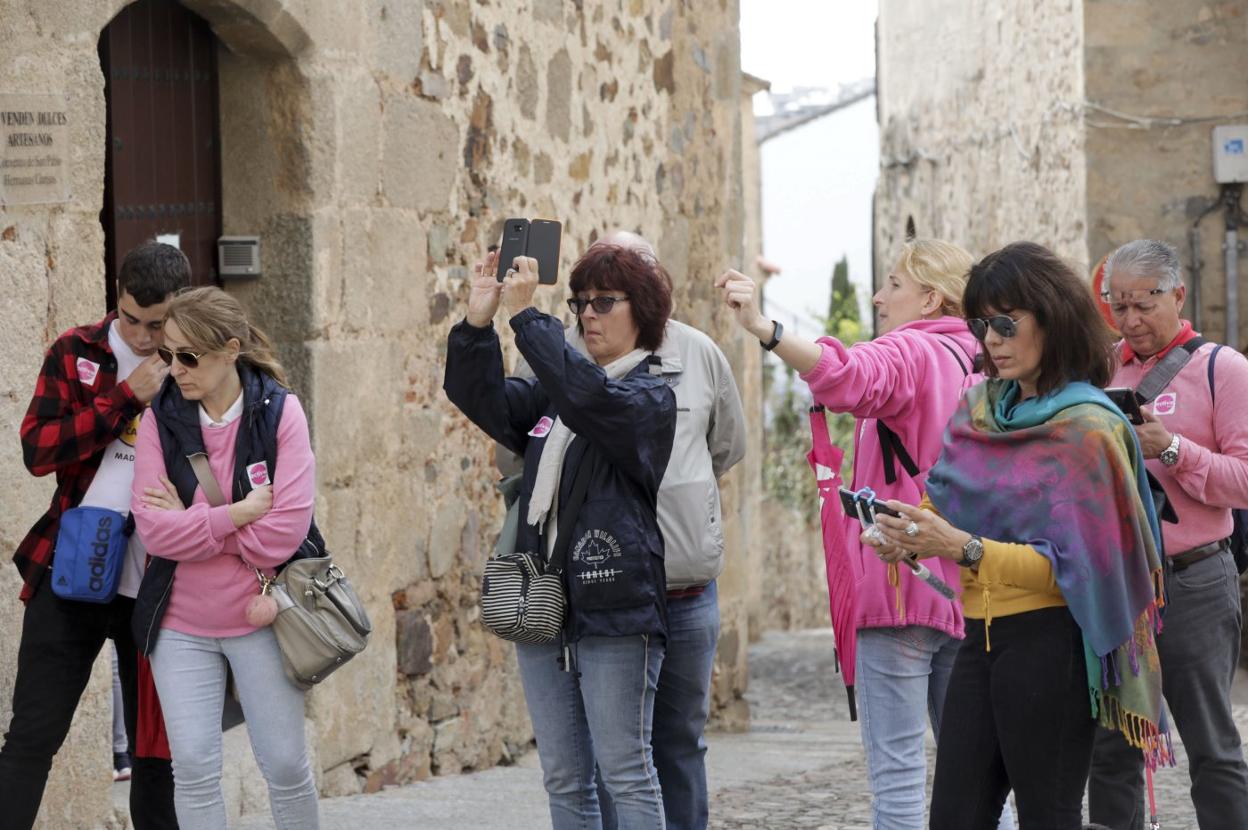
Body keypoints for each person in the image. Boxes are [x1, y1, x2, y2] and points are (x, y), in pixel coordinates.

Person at [865, 241, 1167, 829]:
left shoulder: (1087, 431)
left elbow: (1079, 571)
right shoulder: (979, 412)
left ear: (1051, 321)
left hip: (1049, 648)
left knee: (1047, 816)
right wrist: (905, 531)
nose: (992, 338)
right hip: (976, 639)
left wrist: (964, 549)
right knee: (955, 816)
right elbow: (943, 504)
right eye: (981, 324)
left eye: (1006, 321)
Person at [720, 239, 1016, 830]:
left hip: (901, 583)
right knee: (984, 780)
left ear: (931, 297)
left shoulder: (911, 350)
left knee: (898, 776)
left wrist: (763, 326)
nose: (879, 298)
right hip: (977, 585)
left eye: (894, 285)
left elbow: (848, 376)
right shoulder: (990, 361)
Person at [444, 247, 676, 828]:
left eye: (603, 302)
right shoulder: (556, 395)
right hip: (542, 602)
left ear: (642, 313)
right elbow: (484, 400)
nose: (587, 316)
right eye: (578, 304)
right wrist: (479, 321)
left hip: (615, 608)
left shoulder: (648, 397)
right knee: (564, 778)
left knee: (625, 770)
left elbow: (593, 400)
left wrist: (529, 321)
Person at [558, 231, 747, 830]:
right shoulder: (564, 356)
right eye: (588, 297)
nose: (594, 311)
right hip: (607, 593)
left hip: (686, 590)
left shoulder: (699, 352)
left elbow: (725, 447)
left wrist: (675, 498)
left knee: (680, 742)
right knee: (619, 752)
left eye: (610, 294)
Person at [0, 241, 184, 830]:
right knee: (31, 736)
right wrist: (125, 398)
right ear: (117, 300)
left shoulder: (199, 362)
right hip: (73, 567)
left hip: (160, 585)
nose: (144, 335)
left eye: (157, 324)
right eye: (131, 318)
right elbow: (37, 450)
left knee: (158, 756)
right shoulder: (76, 351)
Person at [129, 286, 319, 829]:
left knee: (284, 764)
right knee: (192, 767)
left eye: (188, 356)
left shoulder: (281, 414)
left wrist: (191, 519)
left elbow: (284, 535)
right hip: (180, 624)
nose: (175, 369)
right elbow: (155, 533)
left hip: (259, 618)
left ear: (229, 349)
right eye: (167, 355)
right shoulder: (157, 423)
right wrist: (236, 515)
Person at [1088, 239, 1248, 829]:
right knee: (1113, 747)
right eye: (1118, 306)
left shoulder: (1222, 368)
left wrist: (1174, 450)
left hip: (1195, 579)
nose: (1130, 321)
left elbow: (1246, 481)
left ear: (1178, 295)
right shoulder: (1101, 369)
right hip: (1117, 586)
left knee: (1212, 745)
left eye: (1144, 305)